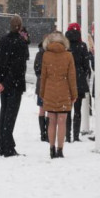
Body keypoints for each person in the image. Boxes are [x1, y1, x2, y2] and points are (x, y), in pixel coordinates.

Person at [0, 14, 29, 157]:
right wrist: (4, 82)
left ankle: (4, 146)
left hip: (5, 84)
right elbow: (17, 67)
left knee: (4, 114)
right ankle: (7, 147)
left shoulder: (3, 40)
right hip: (14, 84)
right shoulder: (20, 42)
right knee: (9, 117)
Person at [38, 31, 77, 159]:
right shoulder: (68, 55)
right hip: (64, 91)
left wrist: (42, 93)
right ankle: (60, 150)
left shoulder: (46, 55)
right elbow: (71, 77)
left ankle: (51, 148)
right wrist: (74, 94)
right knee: (62, 122)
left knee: (51, 122)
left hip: (49, 91)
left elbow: (43, 76)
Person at [64, 23, 91, 142]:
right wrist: (83, 73)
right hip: (79, 78)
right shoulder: (82, 45)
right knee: (78, 109)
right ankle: (76, 135)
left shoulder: (65, 45)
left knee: (67, 109)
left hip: (66, 78)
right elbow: (86, 65)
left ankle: (67, 135)